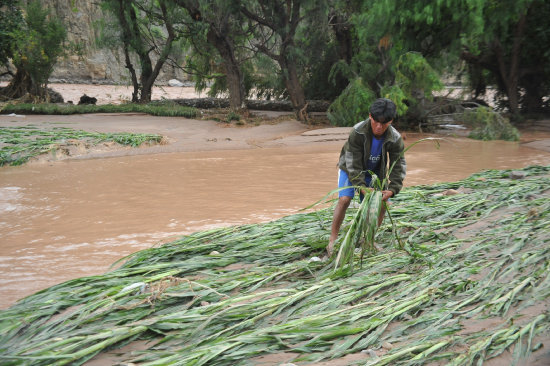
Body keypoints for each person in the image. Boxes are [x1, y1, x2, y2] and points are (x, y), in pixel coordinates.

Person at [326, 98, 406, 256]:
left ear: (390, 121)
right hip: (350, 170)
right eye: (376, 121)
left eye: (384, 123)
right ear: (370, 116)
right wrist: (361, 186)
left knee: (382, 205)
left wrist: (393, 189)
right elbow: (352, 163)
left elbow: (399, 165)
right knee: (344, 200)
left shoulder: (395, 138)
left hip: (375, 174)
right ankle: (332, 240)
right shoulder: (358, 132)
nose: (378, 127)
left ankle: (368, 240)